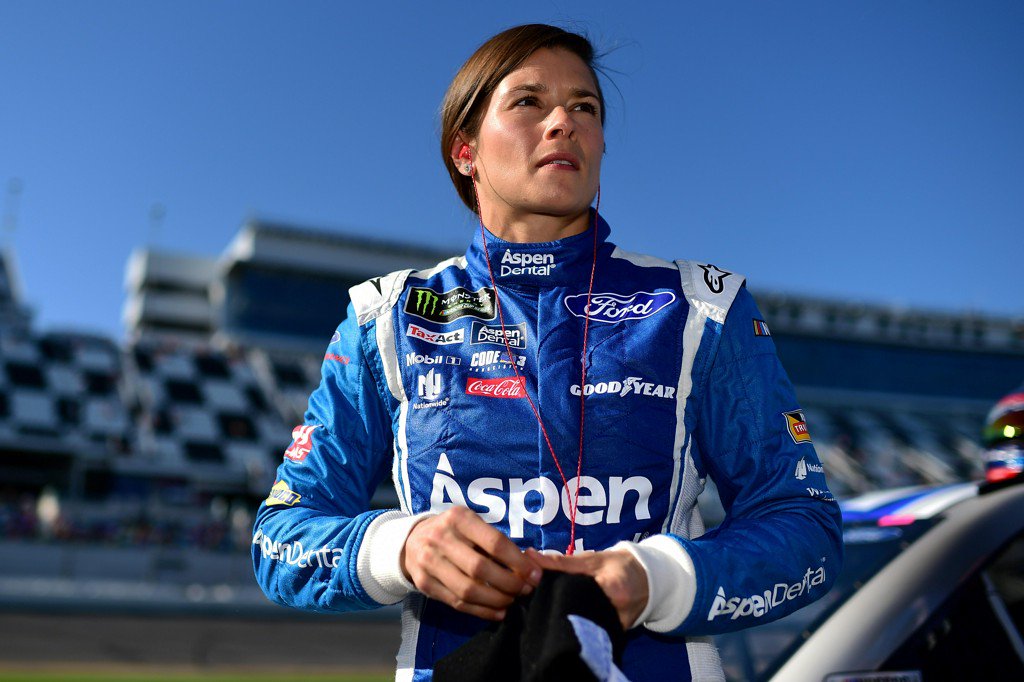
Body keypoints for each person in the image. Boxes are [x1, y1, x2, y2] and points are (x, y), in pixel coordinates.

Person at [252, 23, 842, 681]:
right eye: (529, 101)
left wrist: (656, 578)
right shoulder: (385, 319)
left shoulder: (702, 308)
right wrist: (403, 546)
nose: (564, 122)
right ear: (465, 151)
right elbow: (281, 540)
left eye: (584, 107)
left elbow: (805, 528)